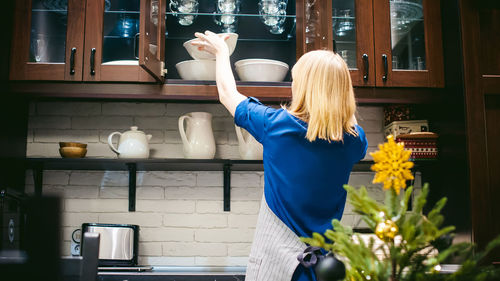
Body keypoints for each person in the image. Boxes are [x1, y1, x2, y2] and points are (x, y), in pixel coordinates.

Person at [192, 31, 368, 281]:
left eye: (296, 80)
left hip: (276, 270)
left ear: (304, 87)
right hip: (324, 271)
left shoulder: (276, 126)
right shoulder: (355, 140)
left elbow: (227, 94)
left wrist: (222, 52)